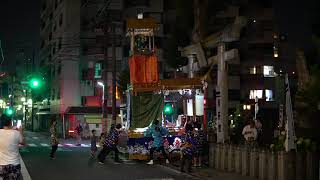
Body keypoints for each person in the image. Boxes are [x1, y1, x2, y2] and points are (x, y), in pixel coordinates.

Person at [0, 114, 25, 179]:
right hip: (14, 164)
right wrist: (21, 131)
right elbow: (22, 143)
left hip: (2, 165)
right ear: (11, 122)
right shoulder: (16, 133)